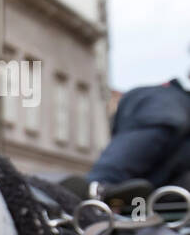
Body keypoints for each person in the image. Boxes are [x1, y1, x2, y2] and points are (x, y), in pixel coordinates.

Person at [63, 75, 190, 203]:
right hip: (147, 207)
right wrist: (98, 187)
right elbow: (120, 161)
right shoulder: (167, 105)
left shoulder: (165, 102)